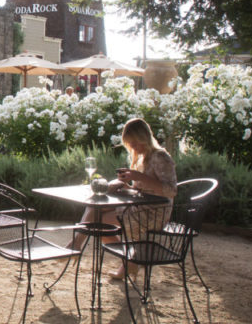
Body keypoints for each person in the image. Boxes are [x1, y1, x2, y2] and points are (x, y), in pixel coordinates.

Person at [70, 118, 177, 282]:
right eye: (130, 143)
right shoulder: (142, 158)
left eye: (134, 142)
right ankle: (80, 246)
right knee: (95, 207)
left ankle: (80, 246)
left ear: (144, 138)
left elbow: (171, 191)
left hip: (154, 213)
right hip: (139, 208)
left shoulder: (160, 157)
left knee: (98, 223)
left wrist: (138, 176)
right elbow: (143, 191)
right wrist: (125, 186)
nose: (132, 147)